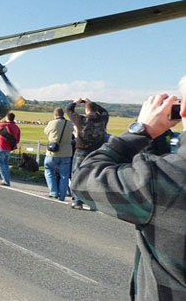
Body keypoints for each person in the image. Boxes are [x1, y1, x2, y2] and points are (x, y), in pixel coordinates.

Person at [72, 86, 186, 300]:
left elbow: (84, 178)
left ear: (183, 110)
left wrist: (142, 130)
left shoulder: (161, 177)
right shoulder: (162, 174)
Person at [66, 98, 109, 209]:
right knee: (92, 176)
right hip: (96, 151)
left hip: (81, 150)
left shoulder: (81, 120)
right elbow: (105, 112)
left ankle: (77, 200)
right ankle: (92, 202)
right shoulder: (102, 120)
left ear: (86, 111)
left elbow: (68, 110)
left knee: (77, 175)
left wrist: (75, 102)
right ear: (96, 110)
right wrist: (90, 102)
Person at [43, 108, 74, 201]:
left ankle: (53, 192)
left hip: (53, 152)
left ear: (55, 115)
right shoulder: (69, 124)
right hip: (66, 152)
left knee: (48, 170)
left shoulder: (52, 123)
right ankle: (62, 195)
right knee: (64, 175)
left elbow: (45, 132)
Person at [0, 113, 21, 186]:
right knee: (6, 165)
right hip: (9, 149)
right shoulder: (16, 127)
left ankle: (5, 181)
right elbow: (18, 140)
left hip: (1, 148)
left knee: (0, 165)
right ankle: (6, 180)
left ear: (7, 118)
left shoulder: (3, 125)